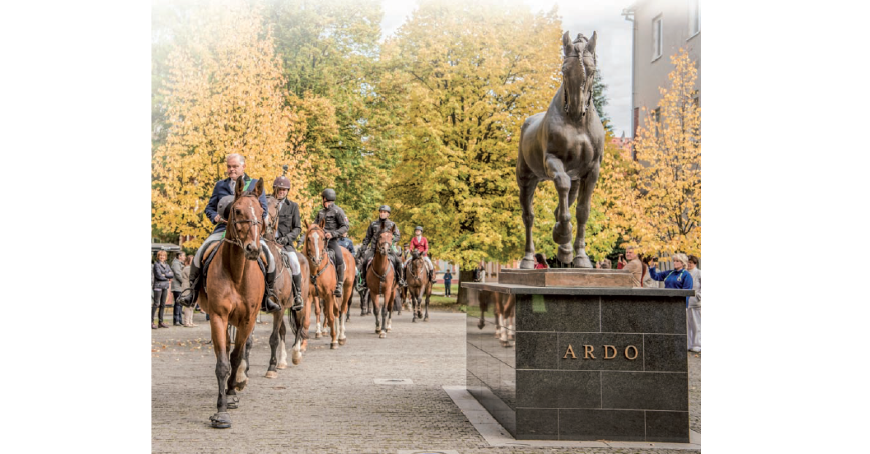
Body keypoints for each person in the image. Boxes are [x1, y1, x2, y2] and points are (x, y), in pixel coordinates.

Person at [176, 153, 281, 314]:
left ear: (243, 167)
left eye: (235, 166)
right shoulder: (220, 186)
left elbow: (264, 209)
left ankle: (268, 295)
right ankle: (192, 293)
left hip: (248, 233)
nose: (231, 169)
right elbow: (209, 208)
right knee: (200, 252)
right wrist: (215, 216)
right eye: (229, 166)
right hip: (223, 230)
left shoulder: (253, 184)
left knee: (270, 258)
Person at [272, 175, 304, 310]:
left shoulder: (293, 206)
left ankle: (298, 295)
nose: (282, 191)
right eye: (280, 189)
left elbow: (297, 228)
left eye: (285, 189)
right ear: (275, 189)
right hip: (268, 242)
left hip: (285, 243)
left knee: (295, 264)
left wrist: (286, 239)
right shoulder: (267, 202)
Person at [357, 205, 405, 290]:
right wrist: (364, 246)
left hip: (388, 249)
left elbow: (397, 235)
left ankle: (400, 279)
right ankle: (364, 281)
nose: (382, 214)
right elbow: (368, 237)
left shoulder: (392, 224)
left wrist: (393, 239)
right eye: (381, 212)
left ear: (388, 214)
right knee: (364, 262)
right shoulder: (373, 224)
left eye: (384, 212)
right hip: (374, 249)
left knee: (398, 261)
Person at [314, 188, 350, 297]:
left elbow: (345, 226)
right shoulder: (320, 212)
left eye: (322, 198)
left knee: (339, 257)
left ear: (325, 198)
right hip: (320, 241)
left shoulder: (338, 211)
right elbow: (314, 225)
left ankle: (339, 284)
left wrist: (333, 234)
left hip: (332, 241)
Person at [152, 251, 174, 329]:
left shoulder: (167, 265)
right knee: (156, 304)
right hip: (158, 286)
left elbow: (172, 275)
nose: (162, 257)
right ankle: (151, 322)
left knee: (163, 304)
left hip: (165, 286)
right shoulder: (156, 265)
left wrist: (165, 275)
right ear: (158, 256)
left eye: (163, 255)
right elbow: (158, 276)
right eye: (160, 255)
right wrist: (167, 275)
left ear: (165, 257)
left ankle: (160, 322)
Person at [686, 255, 701, 352]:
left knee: (697, 325)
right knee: (687, 325)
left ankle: (698, 344)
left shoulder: (699, 273)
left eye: (691, 263)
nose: (689, 264)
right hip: (686, 303)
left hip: (696, 303)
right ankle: (688, 344)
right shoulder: (685, 273)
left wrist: (699, 296)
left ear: (695, 263)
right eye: (688, 262)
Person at [170, 252, 186, 326]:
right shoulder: (176, 264)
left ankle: (179, 320)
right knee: (177, 303)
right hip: (177, 286)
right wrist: (184, 282)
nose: (184, 257)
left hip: (180, 286)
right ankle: (176, 320)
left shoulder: (180, 263)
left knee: (180, 304)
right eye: (183, 255)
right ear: (179, 256)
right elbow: (178, 274)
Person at [180, 256, 197, 327]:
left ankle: (190, 321)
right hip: (187, 289)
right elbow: (192, 277)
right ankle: (186, 322)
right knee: (188, 306)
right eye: (192, 260)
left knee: (192, 306)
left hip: (191, 289)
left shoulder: (191, 268)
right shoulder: (188, 268)